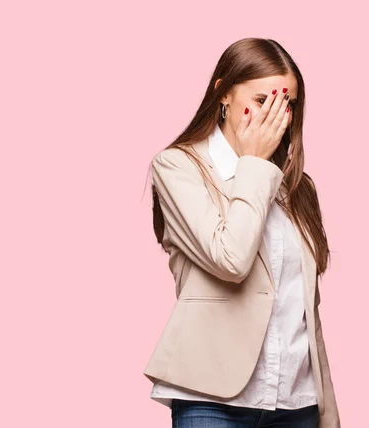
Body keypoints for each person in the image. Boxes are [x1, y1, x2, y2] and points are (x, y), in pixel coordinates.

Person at [143, 38, 341, 428]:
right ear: (223, 94)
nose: (276, 115)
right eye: (262, 99)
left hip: (296, 402)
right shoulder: (178, 167)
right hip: (213, 399)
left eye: (288, 103)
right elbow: (230, 259)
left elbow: (304, 312)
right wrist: (253, 162)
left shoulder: (298, 187)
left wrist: (327, 410)